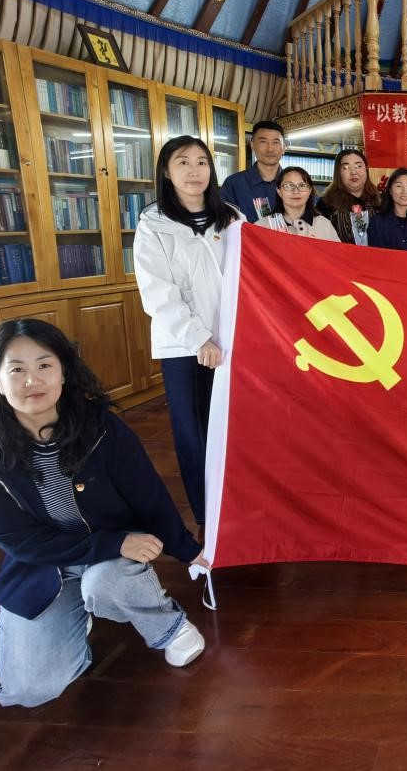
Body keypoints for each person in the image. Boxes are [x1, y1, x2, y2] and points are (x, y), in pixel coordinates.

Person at [0, 319, 208, 708]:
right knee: (30, 689)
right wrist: (111, 543)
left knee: (107, 582)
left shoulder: (101, 428)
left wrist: (188, 549)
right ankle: (76, 614)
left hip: (112, 555)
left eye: (44, 365)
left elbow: (148, 496)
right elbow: (23, 544)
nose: (32, 380)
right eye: (16, 369)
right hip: (43, 565)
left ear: (63, 372)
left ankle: (167, 625)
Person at [134, 135, 240, 527]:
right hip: (185, 347)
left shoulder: (232, 217)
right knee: (194, 433)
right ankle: (207, 518)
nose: (194, 171)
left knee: (233, 429)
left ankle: (237, 507)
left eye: (201, 162)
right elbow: (158, 294)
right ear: (166, 171)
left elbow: (249, 275)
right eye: (183, 162)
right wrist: (199, 338)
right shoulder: (154, 224)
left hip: (233, 340)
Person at [220, 120, 286, 223]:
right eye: (263, 142)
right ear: (252, 144)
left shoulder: (295, 184)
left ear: (283, 147)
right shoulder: (233, 184)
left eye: (276, 142)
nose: (270, 149)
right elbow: (224, 223)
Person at [256, 165, 339, 240]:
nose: (296, 191)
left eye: (302, 185)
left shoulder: (324, 225)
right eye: (289, 186)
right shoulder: (262, 226)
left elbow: (337, 252)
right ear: (279, 191)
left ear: (309, 191)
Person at [319, 147, 381, 244]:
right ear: (338, 173)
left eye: (358, 166)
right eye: (346, 168)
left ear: (366, 169)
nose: (353, 172)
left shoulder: (380, 201)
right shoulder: (326, 203)